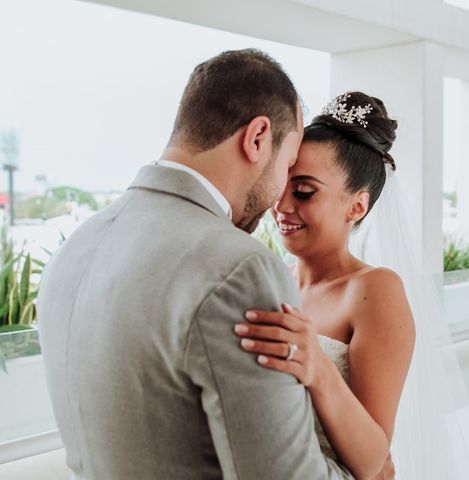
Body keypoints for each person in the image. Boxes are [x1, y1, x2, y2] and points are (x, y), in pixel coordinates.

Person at [37, 49, 353, 479]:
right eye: (289, 161)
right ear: (258, 137)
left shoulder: (72, 250)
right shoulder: (241, 268)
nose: (282, 191)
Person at [235, 92, 469, 480]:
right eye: (283, 186)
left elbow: (374, 459)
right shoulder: (271, 275)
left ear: (357, 207)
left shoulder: (374, 290)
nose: (283, 207)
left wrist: (317, 366)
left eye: (305, 192)